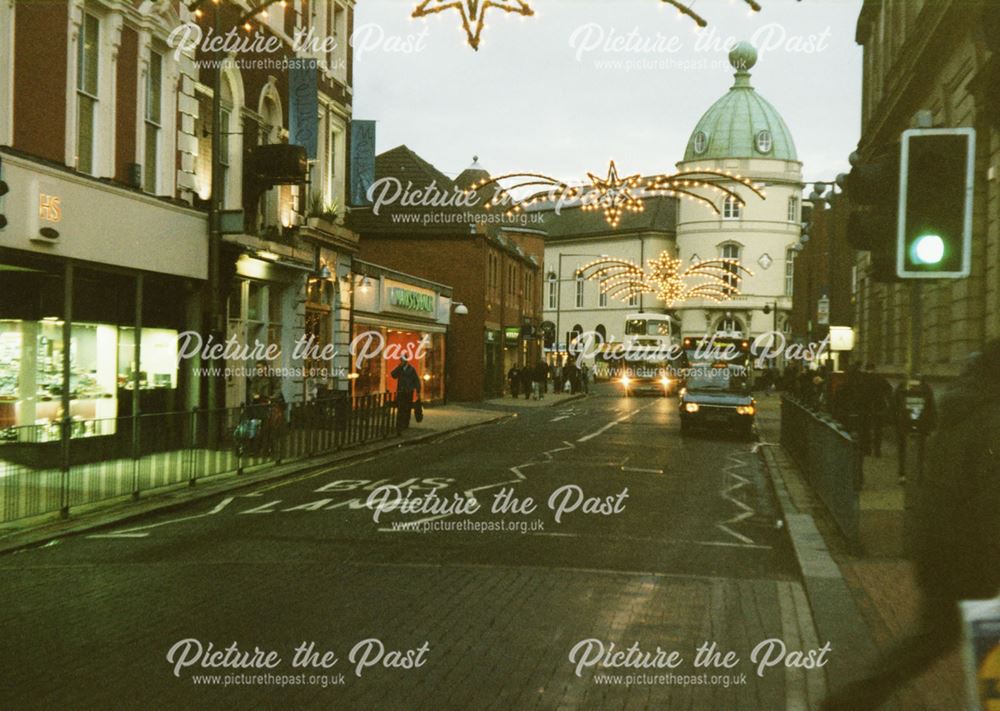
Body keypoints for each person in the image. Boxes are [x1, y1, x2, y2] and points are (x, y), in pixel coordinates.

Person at [821, 340, 1000, 711]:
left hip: (942, 548)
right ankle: (851, 700)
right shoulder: (989, 418)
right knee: (951, 645)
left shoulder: (963, 405)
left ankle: (851, 700)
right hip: (968, 556)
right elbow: (990, 500)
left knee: (929, 640)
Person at [864, 363, 893, 457]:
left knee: (866, 428)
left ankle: (867, 449)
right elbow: (889, 389)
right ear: (874, 369)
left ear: (866, 369)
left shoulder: (864, 379)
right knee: (878, 429)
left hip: (866, 407)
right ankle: (877, 450)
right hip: (879, 406)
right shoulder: (880, 378)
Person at [390, 356, 422, 434]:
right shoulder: (400, 369)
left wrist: (418, 391)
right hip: (401, 392)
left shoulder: (411, 369)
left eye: (403, 361)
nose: (402, 362)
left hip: (408, 392)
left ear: (406, 361)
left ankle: (406, 424)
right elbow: (393, 375)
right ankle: (399, 424)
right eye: (401, 360)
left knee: (407, 408)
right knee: (400, 408)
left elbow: (416, 380)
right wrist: (398, 367)